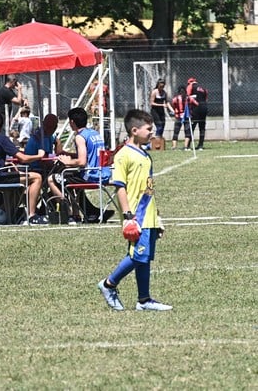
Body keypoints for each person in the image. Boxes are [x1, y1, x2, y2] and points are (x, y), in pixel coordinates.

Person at [97, 109, 172, 312]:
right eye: (149, 129)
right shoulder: (123, 155)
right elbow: (119, 186)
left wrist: (157, 216)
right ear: (134, 130)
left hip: (148, 214)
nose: (152, 133)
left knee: (144, 257)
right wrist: (128, 216)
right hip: (136, 215)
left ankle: (144, 300)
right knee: (138, 255)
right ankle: (108, 284)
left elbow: (148, 187)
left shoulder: (145, 155)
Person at [0, 109, 47, 225]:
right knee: (37, 177)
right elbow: (22, 158)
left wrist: (5, 164)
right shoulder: (2, 139)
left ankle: (6, 213)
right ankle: (32, 215)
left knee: (17, 185)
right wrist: (39, 155)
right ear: (1, 123)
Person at [47, 107, 112, 224]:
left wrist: (67, 162)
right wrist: (69, 154)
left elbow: (82, 162)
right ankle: (85, 213)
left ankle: (68, 211)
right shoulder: (94, 133)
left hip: (91, 175)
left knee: (52, 179)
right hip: (103, 173)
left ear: (72, 122)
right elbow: (90, 154)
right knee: (72, 181)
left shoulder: (79, 137)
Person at [169, 86, 195, 150]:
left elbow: (195, 104)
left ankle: (184, 146)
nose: (182, 94)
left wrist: (191, 110)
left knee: (186, 131)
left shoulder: (187, 98)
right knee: (177, 131)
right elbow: (171, 104)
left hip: (185, 117)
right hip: (181, 117)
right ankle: (176, 146)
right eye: (181, 92)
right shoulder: (178, 99)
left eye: (183, 92)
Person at [186, 77, 209, 150]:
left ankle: (188, 145)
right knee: (202, 127)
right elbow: (206, 99)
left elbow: (188, 96)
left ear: (190, 82)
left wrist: (194, 103)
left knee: (192, 126)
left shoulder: (190, 86)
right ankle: (201, 145)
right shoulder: (203, 88)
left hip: (196, 108)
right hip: (204, 107)